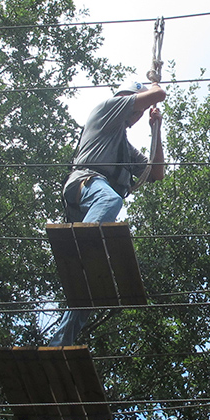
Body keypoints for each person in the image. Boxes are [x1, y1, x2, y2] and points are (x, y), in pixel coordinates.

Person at [51, 80, 166, 346]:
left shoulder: (125, 148)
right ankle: (84, 250)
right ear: (126, 99)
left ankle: (61, 344)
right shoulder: (107, 109)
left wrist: (155, 130)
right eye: (136, 108)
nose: (137, 115)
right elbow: (158, 93)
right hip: (86, 184)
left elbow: (156, 173)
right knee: (111, 199)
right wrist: (154, 88)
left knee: (88, 292)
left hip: (94, 207)